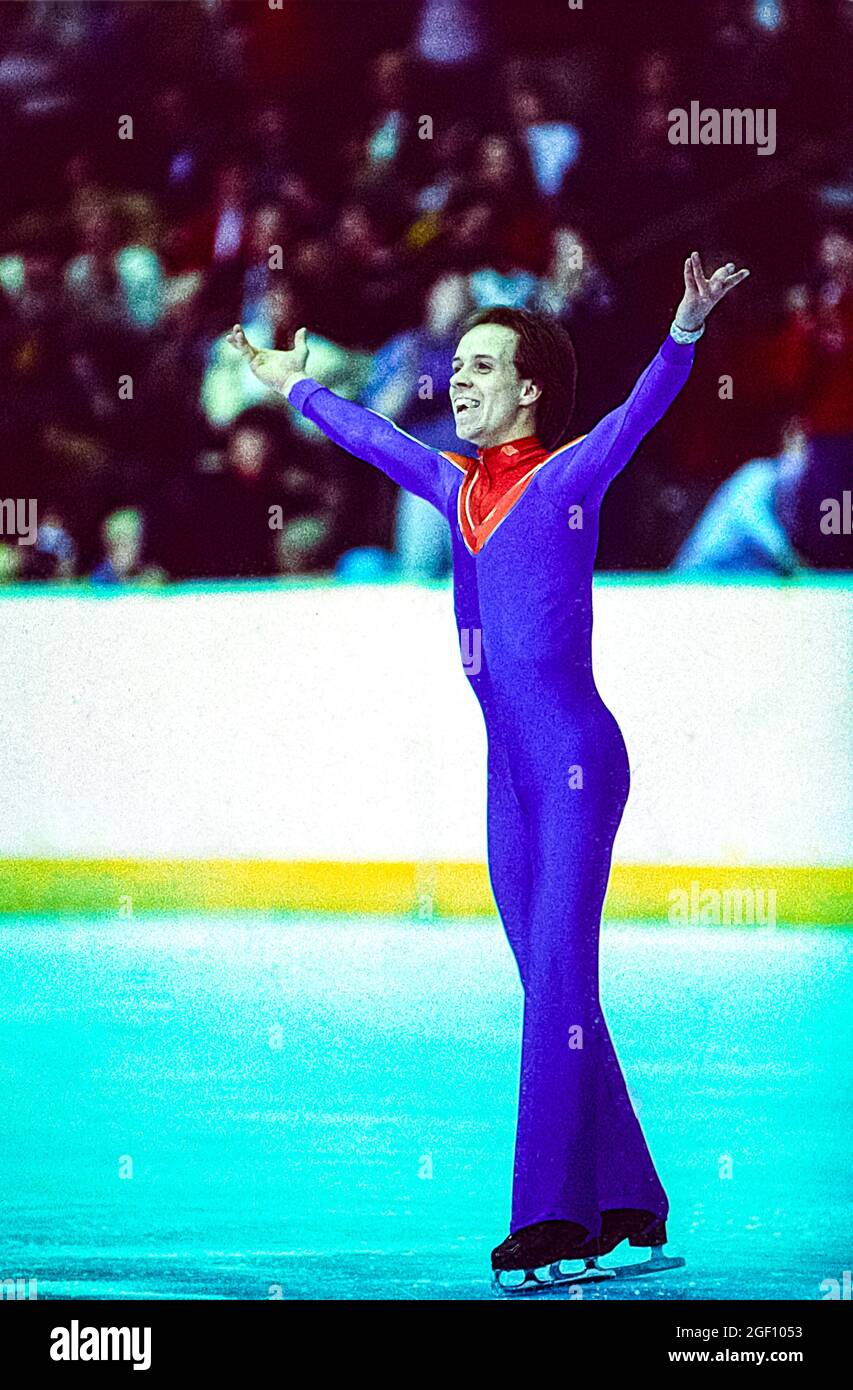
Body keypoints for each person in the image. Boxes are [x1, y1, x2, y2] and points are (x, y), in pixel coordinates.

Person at [226, 251, 749, 1291]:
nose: (456, 382)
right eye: (454, 366)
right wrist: (293, 383)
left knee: (555, 984)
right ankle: (630, 1198)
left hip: (572, 767)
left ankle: (551, 1221)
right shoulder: (456, 485)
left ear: (529, 389)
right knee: (554, 989)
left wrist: (683, 329)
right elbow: (375, 438)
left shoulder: (566, 478)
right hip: (504, 777)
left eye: (479, 367)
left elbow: (636, 415)